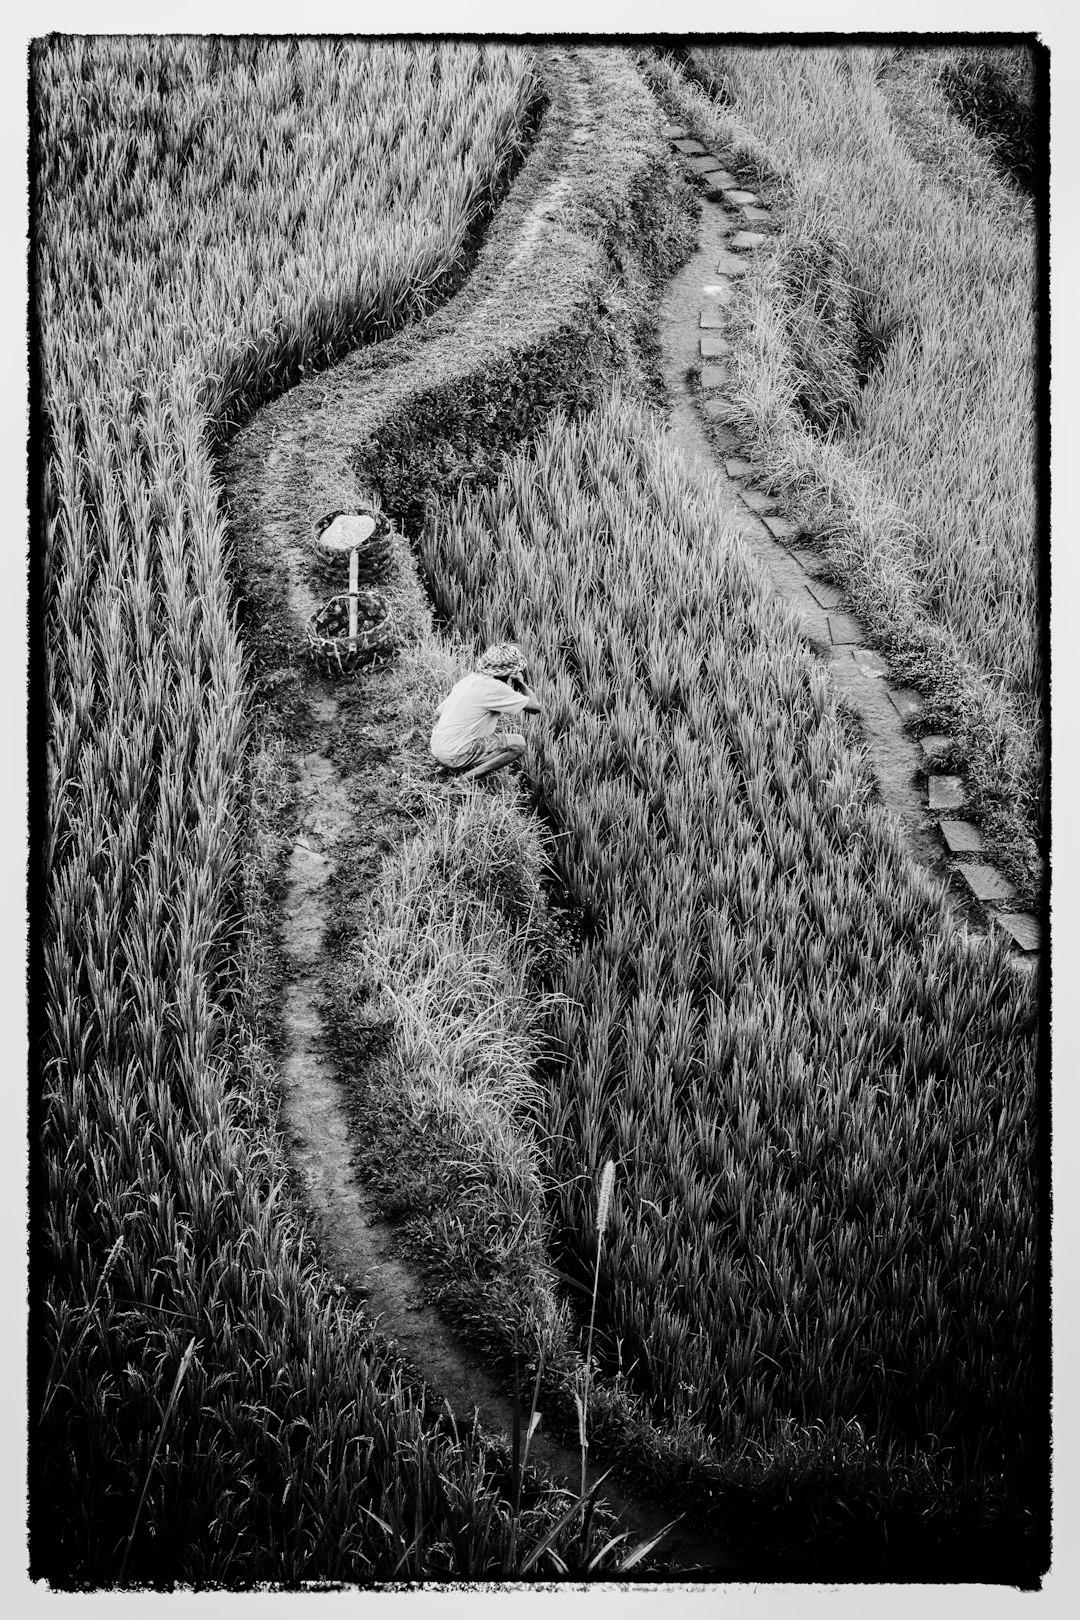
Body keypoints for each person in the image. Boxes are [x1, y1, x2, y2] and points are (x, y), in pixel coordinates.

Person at [430, 642, 541, 782]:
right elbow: (536, 707)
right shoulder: (495, 688)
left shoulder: (469, 680)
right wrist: (520, 683)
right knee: (518, 744)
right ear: (510, 672)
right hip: (453, 754)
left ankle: (462, 759)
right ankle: (464, 781)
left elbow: (438, 713)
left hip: (437, 747)